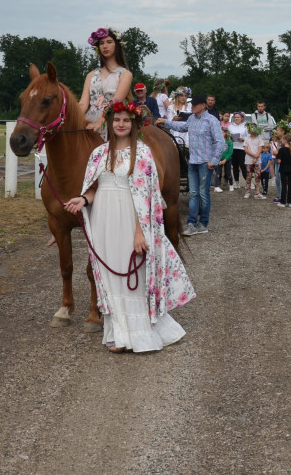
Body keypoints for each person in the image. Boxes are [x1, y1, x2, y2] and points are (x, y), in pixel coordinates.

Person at [63, 101, 195, 353]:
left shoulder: (143, 154)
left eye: (125, 120)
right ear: (110, 124)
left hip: (130, 219)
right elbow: (93, 187)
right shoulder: (99, 154)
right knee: (110, 272)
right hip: (104, 219)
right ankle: (117, 332)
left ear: (133, 124)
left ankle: (138, 332)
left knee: (131, 272)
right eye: (116, 120)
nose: (120, 124)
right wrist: (82, 200)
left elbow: (146, 197)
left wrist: (139, 232)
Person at [159, 93, 222, 235]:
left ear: (203, 106)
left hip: (206, 162)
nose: (191, 106)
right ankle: (192, 224)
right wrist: (165, 122)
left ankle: (203, 223)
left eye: (194, 104)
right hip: (193, 162)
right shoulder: (192, 119)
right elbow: (181, 126)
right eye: (191, 104)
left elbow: (220, 142)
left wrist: (214, 160)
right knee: (194, 193)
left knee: (203, 194)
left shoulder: (212, 120)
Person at [79, 27, 133, 135]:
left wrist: (100, 122)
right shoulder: (91, 75)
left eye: (109, 42)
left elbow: (116, 102)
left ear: (117, 45)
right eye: (101, 43)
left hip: (114, 121)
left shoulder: (125, 74)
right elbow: (83, 104)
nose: (105, 46)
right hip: (89, 119)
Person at [275, 129, 291, 208]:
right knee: (290, 185)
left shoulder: (281, 150)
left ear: (285, 140)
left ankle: (283, 202)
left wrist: (278, 159)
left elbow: (279, 161)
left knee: (284, 185)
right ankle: (290, 202)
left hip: (283, 169)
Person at [228, 112, 249, 190]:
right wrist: (230, 138)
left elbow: (249, 137)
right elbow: (227, 136)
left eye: (238, 117)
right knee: (235, 166)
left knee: (243, 165)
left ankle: (248, 182)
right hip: (233, 147)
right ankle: (236, 182)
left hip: (242, 148)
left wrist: (243, 139)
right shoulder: (230, 126)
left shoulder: (245, 126)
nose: (236, 119)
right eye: (235, 117)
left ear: (241, 118)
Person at [242, 122, 263, 199]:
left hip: (258, 160)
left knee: (258, 176)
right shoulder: (247, 139)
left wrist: (256, 157)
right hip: (248, 160)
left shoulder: (259, 138)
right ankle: (248, 191)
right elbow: (246, 149)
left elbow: (260, 148)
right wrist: (254, 156)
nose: (248, 129)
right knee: (249, 176)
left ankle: (257, 191)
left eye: (249, 128)